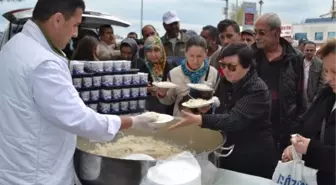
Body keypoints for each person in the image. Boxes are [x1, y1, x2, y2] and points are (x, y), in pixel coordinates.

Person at [0, 0, 157, 184]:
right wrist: (133, 121)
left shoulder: (14, 46)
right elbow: (80, 119)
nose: (75, 34)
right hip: (37, 174)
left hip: (14, 165)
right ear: (58, 20)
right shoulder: (43, 63)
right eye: (75, 25)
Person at [169, 43, 277, 179]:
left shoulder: (257, 89)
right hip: (230, 149)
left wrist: (201, 119)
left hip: (253, 155)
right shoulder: (227, 81)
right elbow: (222, 106)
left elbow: (234, 119)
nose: (226, 70)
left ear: (248, 66)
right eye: (223, 65)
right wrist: (208, 107)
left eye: (232, 66)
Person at [282, 39, 336, 184]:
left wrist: (310, 148)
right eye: (325, 71)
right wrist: (294, 145)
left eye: (335, 72)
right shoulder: (328, 93)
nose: (329, 78)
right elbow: (305, 123)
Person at [253, 13, 305, 155]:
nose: (257, 37)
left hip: (285, 126)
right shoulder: (250, 55)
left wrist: (298, 127)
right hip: (255, 124)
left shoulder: (296, 57)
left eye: (262, 33)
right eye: (255, 32)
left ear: (277, 32)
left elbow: (300, 94)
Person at [157, 35, 219, 116]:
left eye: (199, 56)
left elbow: (218, 100)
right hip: (181, 119)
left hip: (206, 122)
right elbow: (168, 101)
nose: (195, 61)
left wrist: (211, 104)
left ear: (206, 53)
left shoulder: (213, 73)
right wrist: (162, 94)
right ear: (185, 53)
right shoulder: (174, 73)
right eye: (191, 56)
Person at [140, 36, 175, 114]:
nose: (153, 54)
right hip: (149, 112)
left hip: (168, 111)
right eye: (149, 50)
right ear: (145, 52)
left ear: (162, 50)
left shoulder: (170, 68)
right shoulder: (143, 69)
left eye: (156, 50)